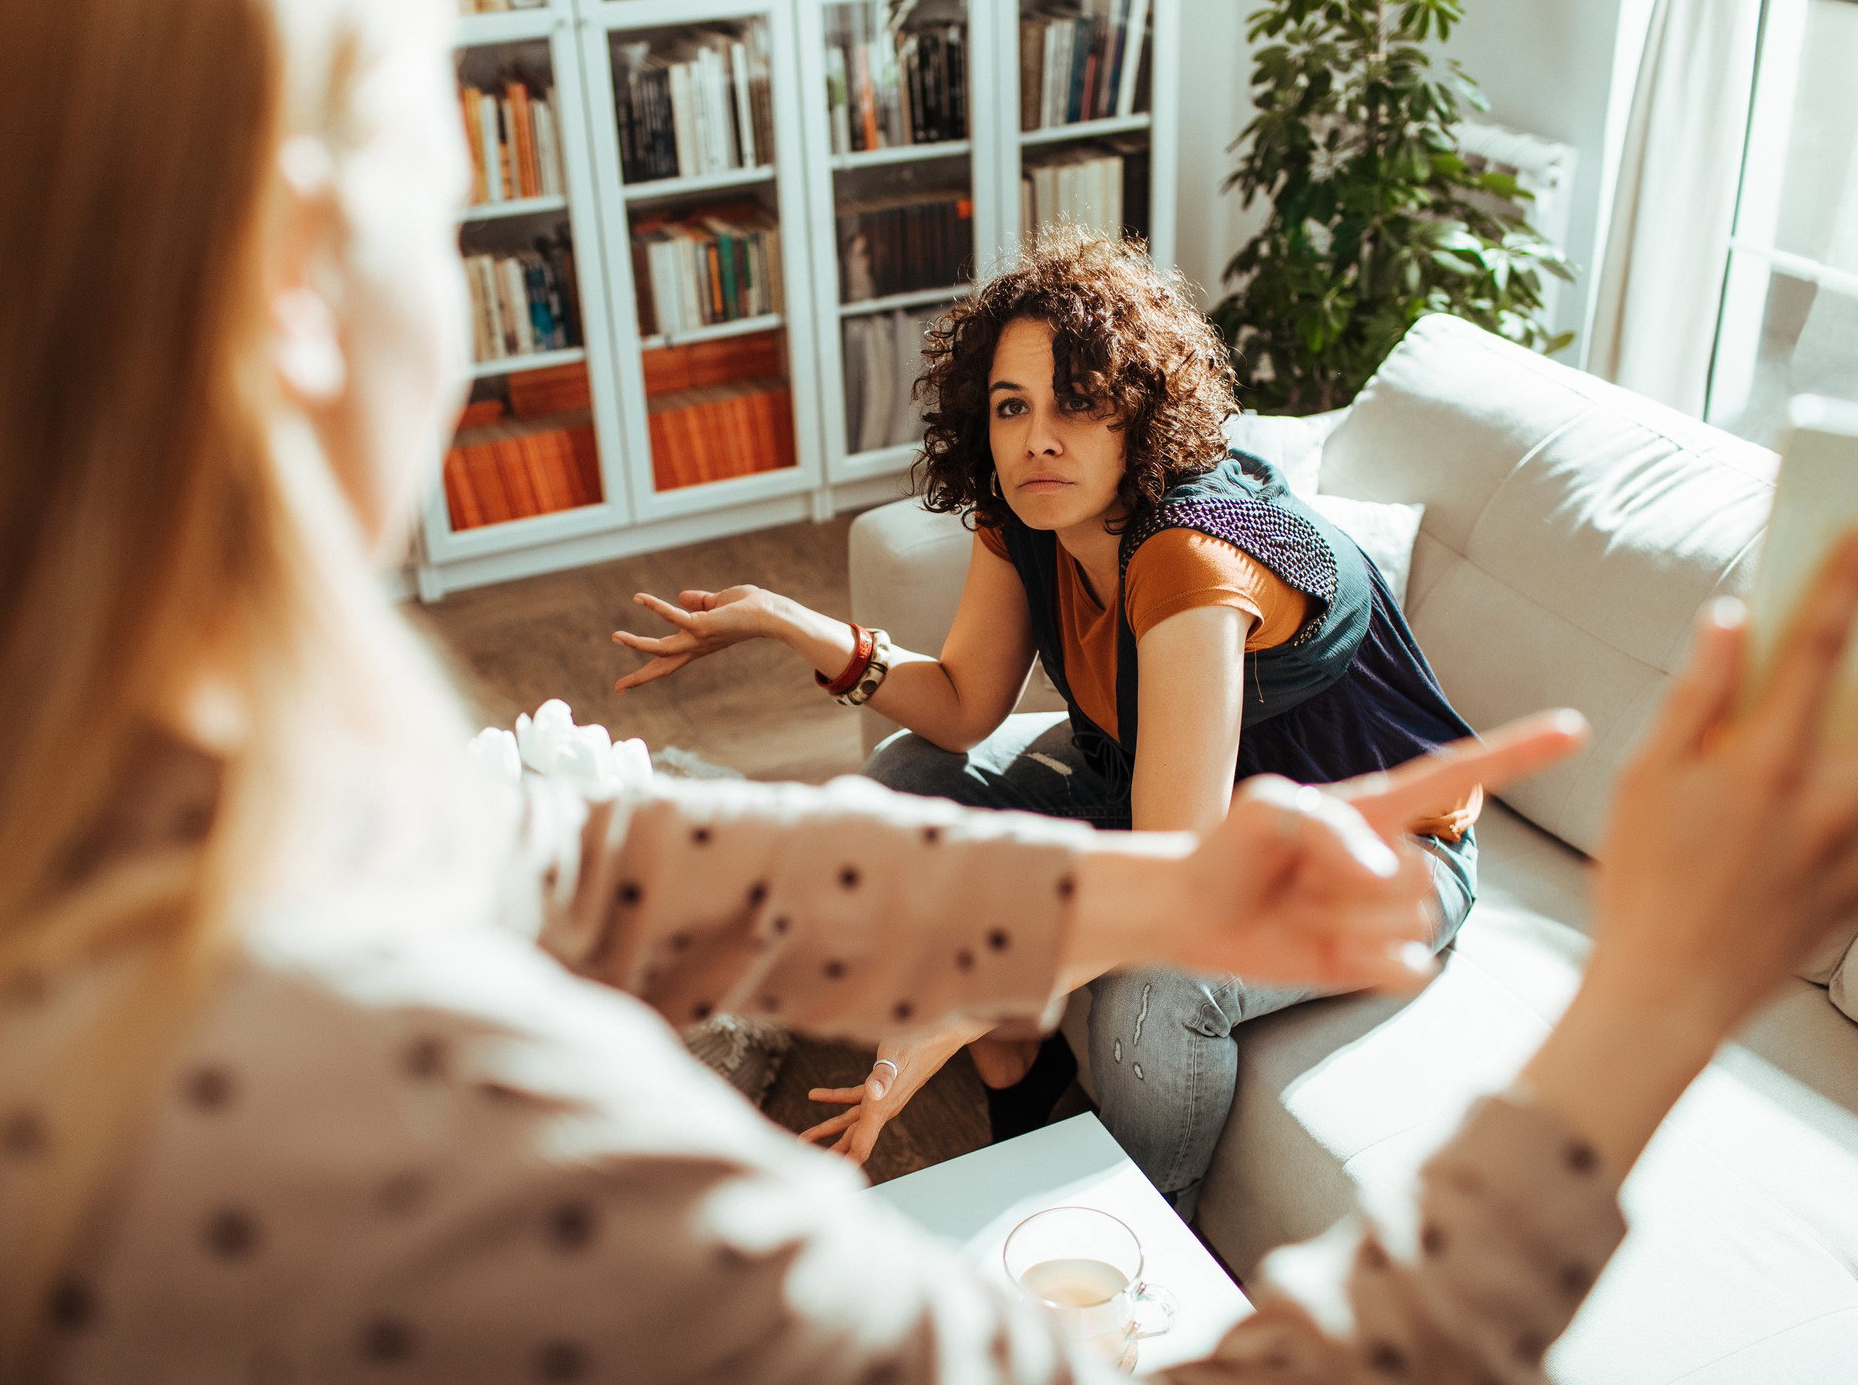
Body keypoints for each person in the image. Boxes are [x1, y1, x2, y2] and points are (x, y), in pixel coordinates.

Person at [0, 0, 1858, 1383]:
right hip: (1190, 829)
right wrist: (1658, 993)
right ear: (300, 278)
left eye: (1071, 410)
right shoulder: (432, 1106)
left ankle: (1076, 1126)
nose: (1037, 443)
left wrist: (1099, 922)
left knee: (1100, 956)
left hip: (1341, 836)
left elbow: (601, 850)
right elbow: (916, 747)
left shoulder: (101, 828)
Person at [616, 231, 1485, 1211]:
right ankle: (1018, 1079)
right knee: (906, 784)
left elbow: (1169, 878)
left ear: (1139, 412)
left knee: (1158, 986)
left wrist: (944, 1015)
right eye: (1011, 406)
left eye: (1078, 402)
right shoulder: (1025, 511)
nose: (1038, 438)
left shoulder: (1191, 558)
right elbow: (959, 708)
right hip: (1167, 781)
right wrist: (785, 621)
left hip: (1380, 844)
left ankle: (1147, 1230)